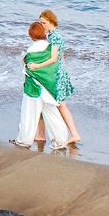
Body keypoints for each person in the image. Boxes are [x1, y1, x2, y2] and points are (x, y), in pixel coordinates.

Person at [14, 21, 70, 149]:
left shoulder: (31, 50)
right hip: (49, 87)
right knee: (52, 113)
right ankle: (60, 141)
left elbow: (27, 68)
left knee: (28, 114)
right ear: (43, 33)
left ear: (31, 36)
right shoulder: (51, 47)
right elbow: (56, 64)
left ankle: (23, 141)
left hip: (34, 88)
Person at [36, 9, 82, 145]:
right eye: (40, 23)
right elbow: (62, 57)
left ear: (51, 22)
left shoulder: (55, 37)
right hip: (54, 73)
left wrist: (37, 67)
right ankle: (41, 135)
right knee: (45, 102)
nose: (41, 26)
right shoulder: (51, 36)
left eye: (43, 23)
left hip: (56, 75)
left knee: (60, 105)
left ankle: (74, 134)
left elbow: (54, 58)